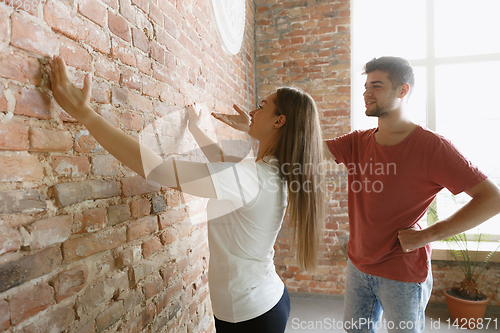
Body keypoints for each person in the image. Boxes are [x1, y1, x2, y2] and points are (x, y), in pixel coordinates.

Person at [46, 56, 325, 333]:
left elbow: (157, 169)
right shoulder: (273, 171)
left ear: (279, 121)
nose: (252, 111)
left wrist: (86, 114)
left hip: (250, 313)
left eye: (261, 106)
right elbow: (221, 161)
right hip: (266, 300)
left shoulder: (251, 176)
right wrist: (199, 127)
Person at [324, 56, 500, 333]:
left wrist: (426, 236)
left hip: (402, 273)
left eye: (377, 85)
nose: (366, 92)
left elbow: (492, 199)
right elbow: (306, 148)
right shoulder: (357, 141)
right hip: (358, 265)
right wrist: (259, 130)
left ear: (403, 90)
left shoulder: (432, 147)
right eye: (366, 85)